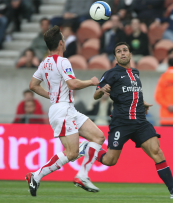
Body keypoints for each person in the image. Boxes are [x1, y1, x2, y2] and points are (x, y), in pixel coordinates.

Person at [75, 42, 173, 199]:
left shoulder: (135, 73)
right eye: (119, 51)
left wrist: (142, 103)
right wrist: (101, 90)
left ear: (130, 54)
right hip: (121, 123)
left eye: (125, 50)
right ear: (116, 57)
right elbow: (96, 95)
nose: (122, 53)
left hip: (140, 122)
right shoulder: (112, 73)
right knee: (110, 160)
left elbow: (133, 93)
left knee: (157, 151)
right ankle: (86, 148)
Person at [26, 25, 105, 196]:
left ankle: (83, 175)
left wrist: (52, 96)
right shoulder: (63, 62)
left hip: (66, 108)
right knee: (72, 152)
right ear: (61, 43)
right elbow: (73, 84)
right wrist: (91, 82)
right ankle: (36, 175)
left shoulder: (44, 62)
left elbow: (33, 85)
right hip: (63, 110)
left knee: (98, 136)